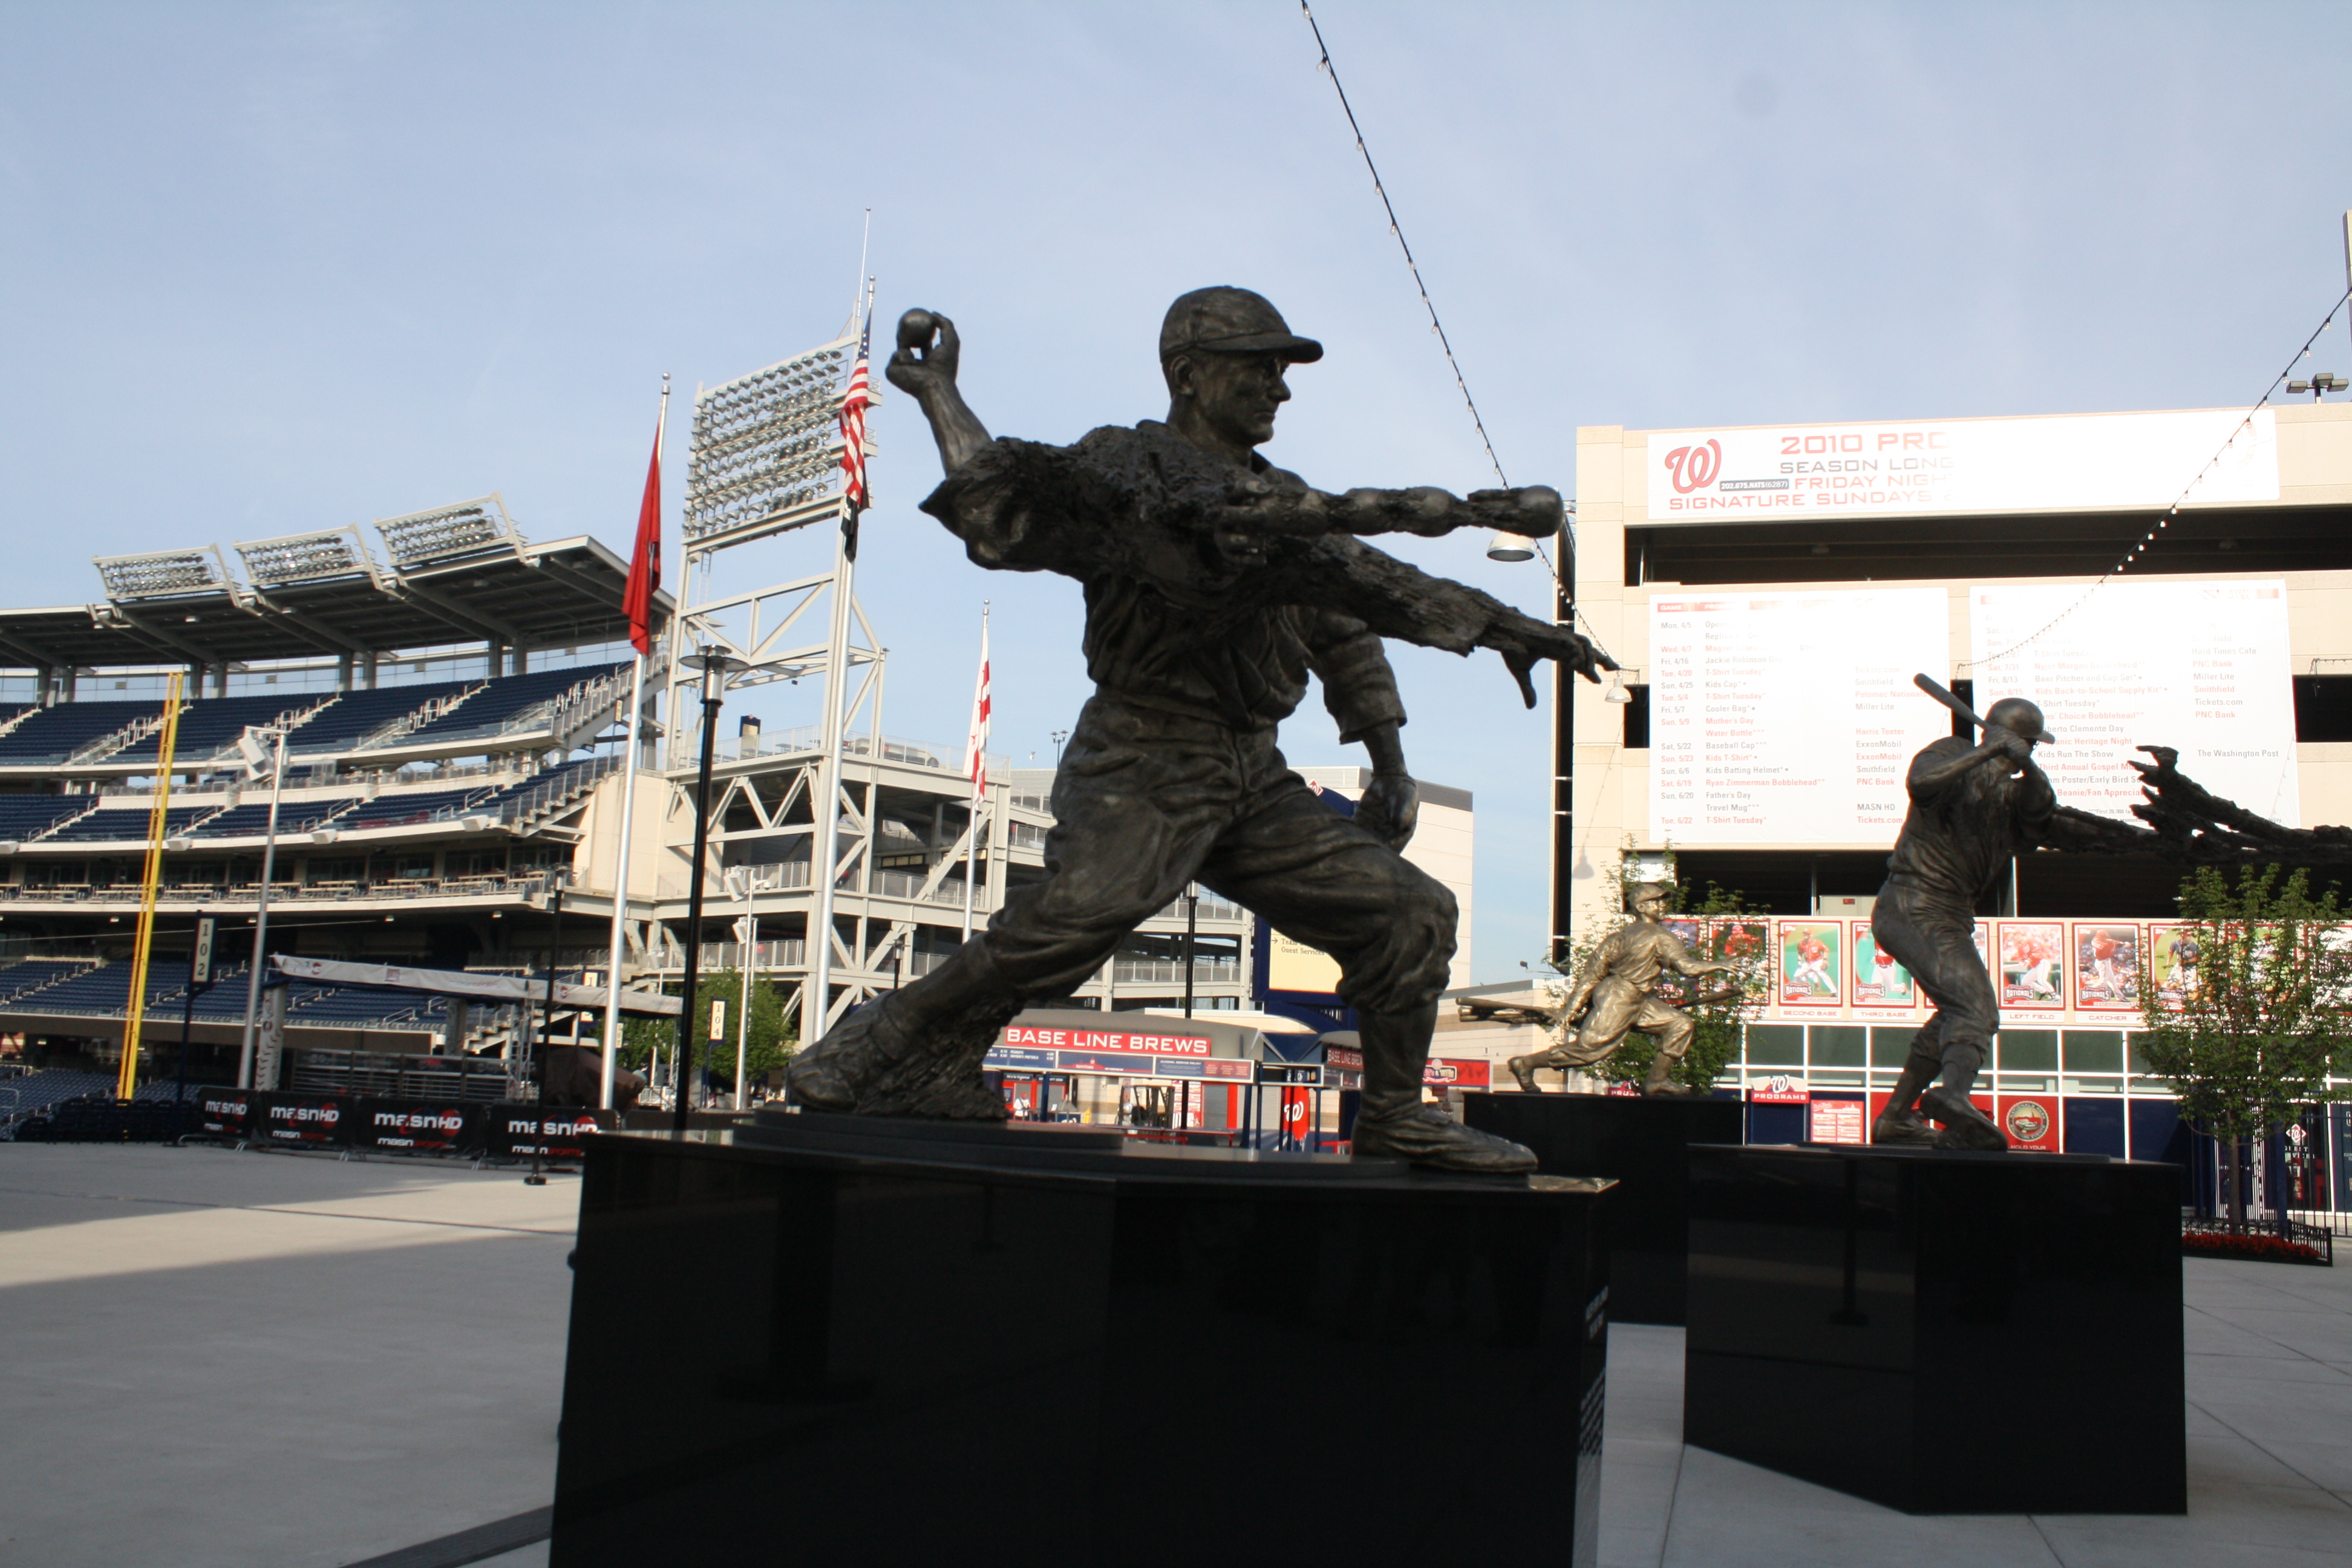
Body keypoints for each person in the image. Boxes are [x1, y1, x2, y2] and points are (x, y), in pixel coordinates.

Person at [785, 288, 1612, 1172]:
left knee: (1411, 912)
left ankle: (1397, 1115)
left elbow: (1346, 630)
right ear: (1189, 373)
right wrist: (940, 396)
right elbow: (999, 513)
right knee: (1071, 923)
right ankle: (877, 1046)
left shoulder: (1289, 502)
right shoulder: (1128, 470)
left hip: (1253, 772)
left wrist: (1391, 759)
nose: (1279, 391)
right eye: (1260, 369)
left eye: (1281, 371)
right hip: (1145, 752)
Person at [1869, 697, 2056, 1150]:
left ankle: (1896, 1118)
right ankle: (1952, 1095)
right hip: (1913, 902)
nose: (2029, 750)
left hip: (1951, 913)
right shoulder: (1952, 752)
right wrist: (1989, 750)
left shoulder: (2010, 795)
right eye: (2030, 743)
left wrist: (2026, 767)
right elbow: (1921, 783)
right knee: (1976, 1010)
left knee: (1959, 1012)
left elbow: (2041, 811)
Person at [1506, 881, 1732, 1096]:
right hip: (1620, 998)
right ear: (1641, 907)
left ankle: (1655, 1081)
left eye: (1663, 901)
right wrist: (1720, 964)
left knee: (1680, 1024)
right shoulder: (1661, 937)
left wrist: (1571, 1009)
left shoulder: (1617, 937)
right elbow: (1687, 968)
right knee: (1589, 1050)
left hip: (1635, 998)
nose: (1663, 906)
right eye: (1656, 901)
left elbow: (1591, 977)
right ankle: (1526, 1064)